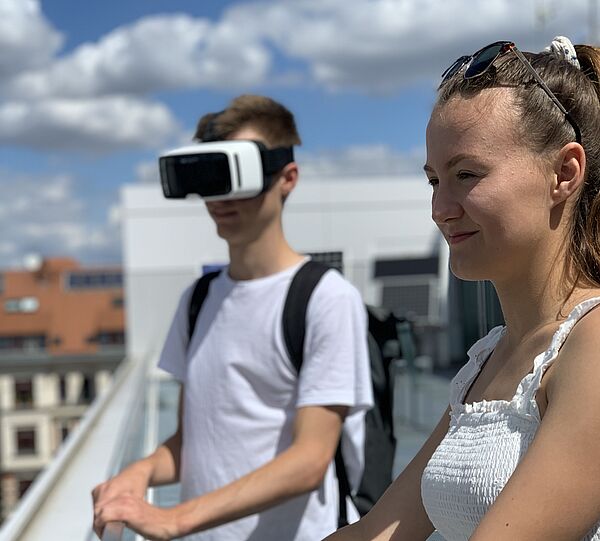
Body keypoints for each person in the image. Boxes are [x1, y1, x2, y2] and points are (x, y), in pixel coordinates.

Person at [324, 36, 600, 541]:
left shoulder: (592, 345)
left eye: (466, 174)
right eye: (433, 181)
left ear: (565, 172)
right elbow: (379, 533)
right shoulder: (489, 356)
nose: (440, 209)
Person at [92, 94, 373, 540]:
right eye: (209, 177)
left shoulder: (325, 297)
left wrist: (174, 519)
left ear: (287, 178)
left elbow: (310, 459)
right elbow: (191, 444)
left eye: (235, 175)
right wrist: (139, 472)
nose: (220, 197)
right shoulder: (198, 299)